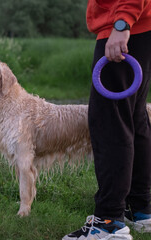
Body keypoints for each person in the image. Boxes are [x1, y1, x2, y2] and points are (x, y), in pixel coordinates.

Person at [63, 0, 151, 239]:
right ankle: (141, 211)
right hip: (141, 25)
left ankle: (109, 222)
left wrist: (122, 24)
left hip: (124, 25)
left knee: (110, 123)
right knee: (133, 117)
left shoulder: (123, 25)